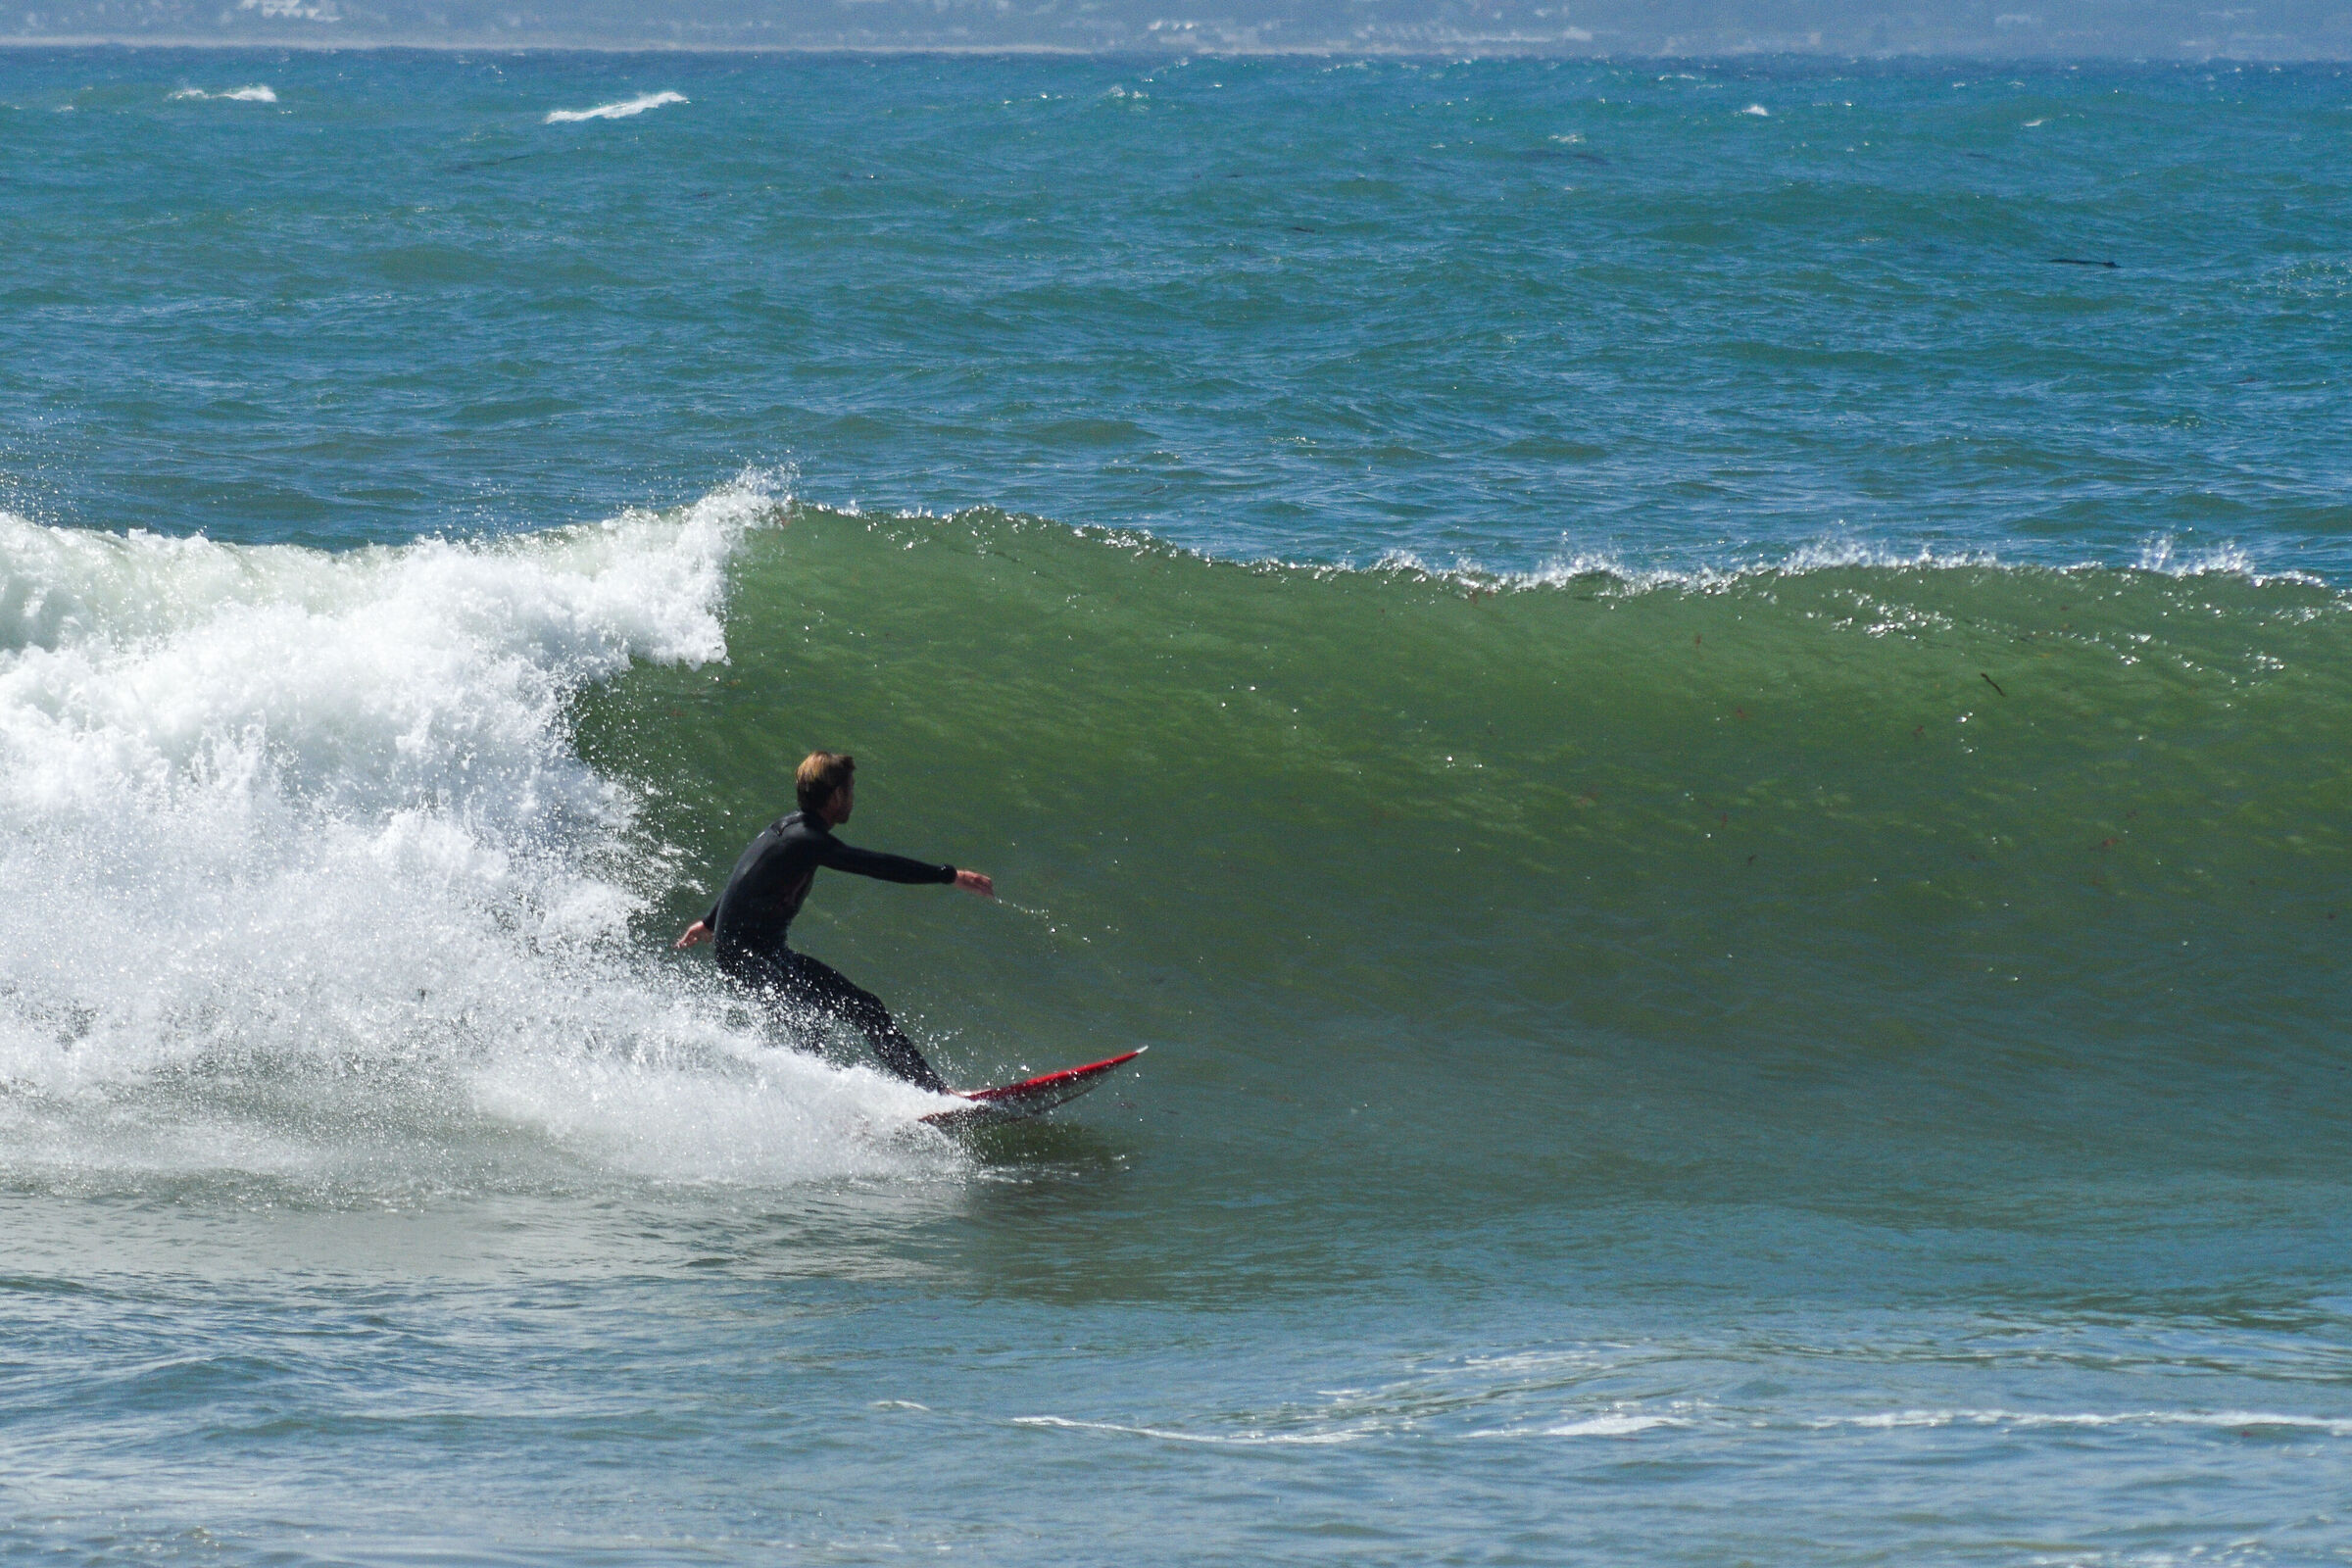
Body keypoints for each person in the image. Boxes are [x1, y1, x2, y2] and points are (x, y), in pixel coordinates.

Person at [675, 751, 994, 1092]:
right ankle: (809, 1105)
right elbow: (874, 865)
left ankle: (936, 1093)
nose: (853, 798)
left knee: (866, 1008)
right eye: (851, 789)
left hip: (764, 952)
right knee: (810, 1017)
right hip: (744, 955)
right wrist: (949, 875)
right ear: (837, 795)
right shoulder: (803, 839)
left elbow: (748, 874)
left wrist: (710, 922)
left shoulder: (793, 831)